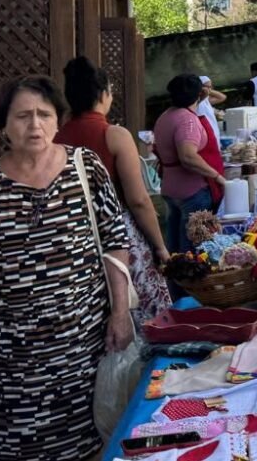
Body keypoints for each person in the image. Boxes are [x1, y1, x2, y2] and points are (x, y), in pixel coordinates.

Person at [0, 75, 132, 461]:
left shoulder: (86, 167)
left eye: (44, 114)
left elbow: (115, 241)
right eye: (23, 116)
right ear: (3, 124)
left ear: (58, 121)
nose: (35, 125)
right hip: (10, 362)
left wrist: (121, 312)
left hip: (82, 351)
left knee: (95, 442)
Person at [57, 56, 172, 326]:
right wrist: (160, 247)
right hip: (118, 239)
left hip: (73, 240)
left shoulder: (56, 138)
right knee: (143, 319)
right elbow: (138, 200)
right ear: (103, 94)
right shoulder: (115, 135)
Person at [152, 74, 228, 253]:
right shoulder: (187, 120)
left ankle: (175, 279)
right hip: (192, 191)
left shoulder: (165, 116)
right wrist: (217, 176)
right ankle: (188, 280)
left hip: (171, 188)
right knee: (192, 249)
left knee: (174, 246)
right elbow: (187, 156)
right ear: (199, 95)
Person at [197, 75, 226, 144]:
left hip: (213, 131)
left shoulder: (206, 100)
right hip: (205, 133)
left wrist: (208, 90)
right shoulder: (197, 100)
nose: (209, 89)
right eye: (206, 86)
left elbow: (222, 97)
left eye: (210, 86)